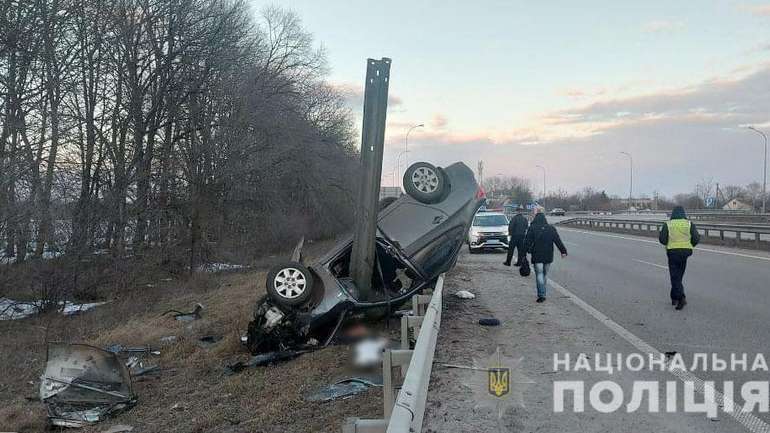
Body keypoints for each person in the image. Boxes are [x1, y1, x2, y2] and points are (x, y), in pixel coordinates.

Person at [658, 206, 700, 310]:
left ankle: (681, 298)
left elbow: (662, 239)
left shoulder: (668, 224)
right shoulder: (689, 224)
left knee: (674, 276)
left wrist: (669, 243)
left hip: (672, 252)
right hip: (685, 253)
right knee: (678, 276)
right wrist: (689, 245)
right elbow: (696, 238)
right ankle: (674, 297)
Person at [524, 212, 567, 303]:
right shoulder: (551, 228)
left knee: (539, 274)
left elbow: (527, 241)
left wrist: (525, 252)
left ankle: (541, 295)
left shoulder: (532, 228)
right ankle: (543, 292)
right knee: (544, 274)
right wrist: (563, 251)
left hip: (537, 255)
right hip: (548, 255)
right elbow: (557, 240)